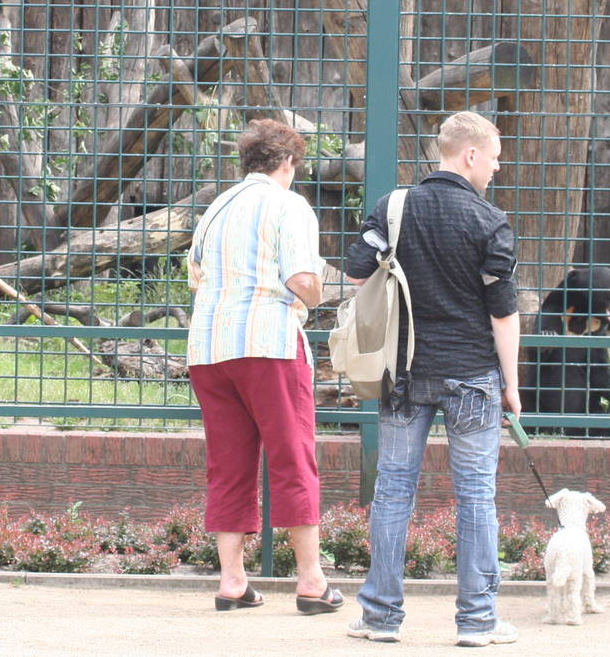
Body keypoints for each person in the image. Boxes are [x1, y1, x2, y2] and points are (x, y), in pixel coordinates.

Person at [343, 110, 521, 647]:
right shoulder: (491, 221)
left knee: (394, 490)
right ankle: (478, 621)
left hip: (404, 374)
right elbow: (503, 314)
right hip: (471, 376)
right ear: (469, 154)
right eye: (492, 157)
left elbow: (356, 271)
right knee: (476, 497)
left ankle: (379, 617)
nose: (495, 167)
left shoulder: (394, 208)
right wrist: (511, 384)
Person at [186, 117, 342, 615]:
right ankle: (311, 582)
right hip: (268, 341)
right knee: (293, 455)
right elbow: (301, 278)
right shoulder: (288, 204)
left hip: (209, 346)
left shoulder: (215, 207)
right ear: (289, 161)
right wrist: (317, 293)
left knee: (227, 463)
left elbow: (196, 276)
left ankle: (232, 581)